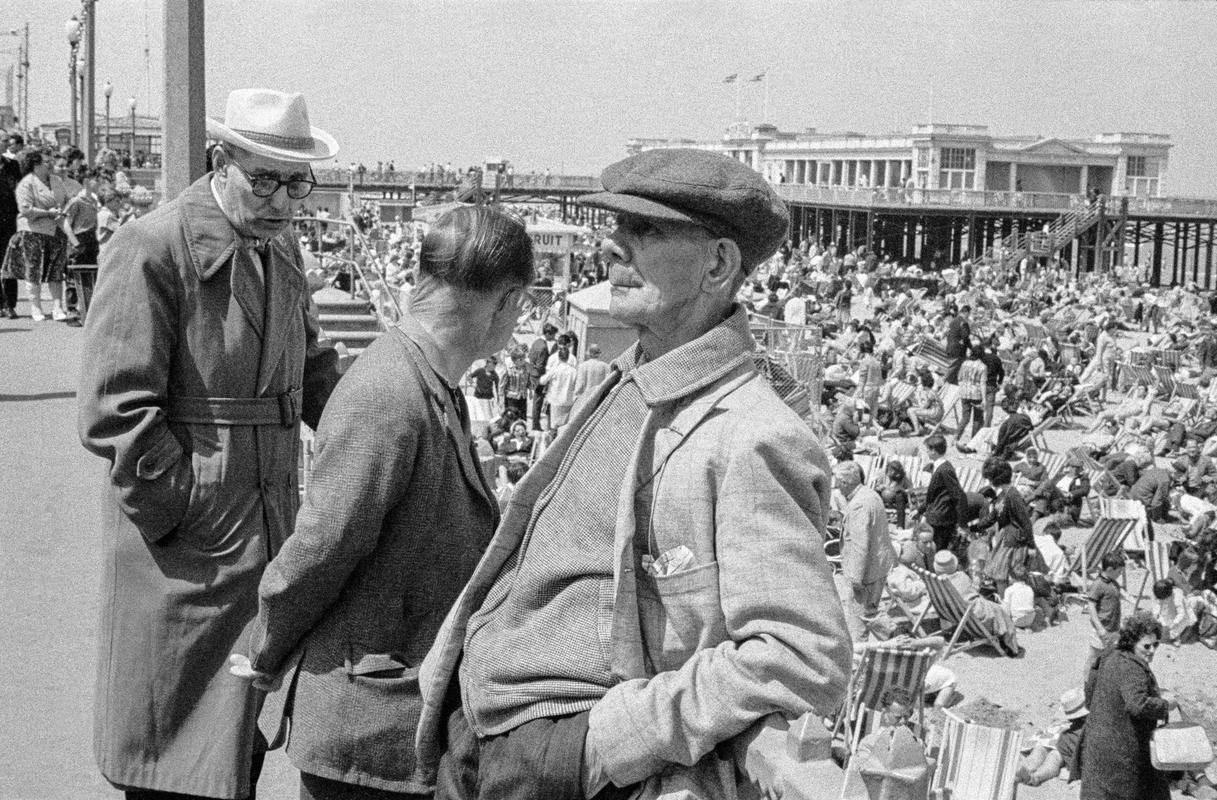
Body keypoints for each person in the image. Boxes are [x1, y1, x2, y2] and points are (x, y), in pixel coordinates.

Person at [416, 148, 850, 800]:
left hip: (555, 749)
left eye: (644, 231)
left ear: (719, 263)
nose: (612, 246)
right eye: (616, 226)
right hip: (481, 720)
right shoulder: (627, 379)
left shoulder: (751, 435)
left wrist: (610, 740)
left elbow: (802, 655)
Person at [77, 89, 343, 800]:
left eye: (296, 182)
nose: (284, 200)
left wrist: (380, 422)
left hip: (263, 537)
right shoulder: (150, 247)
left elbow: (312, 369)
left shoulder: (278, 246)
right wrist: (183, 507)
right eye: (265, 179)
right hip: (185, 555)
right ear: (219, 162)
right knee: (170, 754)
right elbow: (114, 411)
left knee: (240, 748)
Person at [228, 206, 534, 799]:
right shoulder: (391, 394)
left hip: (387, 719)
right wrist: (266, 648)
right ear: (506, 302)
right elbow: (322, 546)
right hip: (364, 727)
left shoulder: (425, 382)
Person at [1077, 613, 1176, 800]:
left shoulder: (1109, 655)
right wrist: (1165, 705)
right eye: (1146, 646)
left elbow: (1089, 692)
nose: (1152, 650)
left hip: (1097, 745)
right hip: (1121, 754)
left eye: (1156, 645)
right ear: (1132, 642)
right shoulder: (1132, 668)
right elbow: (1137, 705)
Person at [1, 147, 69, 321]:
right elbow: (25, 209)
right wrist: (48, 213)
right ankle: (36, 307)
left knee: (56, 271)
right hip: (33, 232)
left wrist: (64, 210)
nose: (51, 164)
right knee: (34, 271)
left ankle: (57, 307)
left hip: (56, 231)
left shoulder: (56, 181)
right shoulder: (27, 183)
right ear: (36, 164)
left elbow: (66, 200)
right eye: (47, 162)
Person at [834, 460, 897, 642]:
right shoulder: (870, 494)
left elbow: (860, 545)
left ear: (845, 483)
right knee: (870, 612)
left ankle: (859, 660)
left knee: (858, 622)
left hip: (867, 572)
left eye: (838, 483)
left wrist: (856, 578)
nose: (837, 487)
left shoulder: (859, 505)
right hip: (878, 566)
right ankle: (897, 639)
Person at [978, 457, 1037, 595]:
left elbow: (1025, 522)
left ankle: (1006, 604)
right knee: (1002, 574)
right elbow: (993, 516)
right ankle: (1006, 601)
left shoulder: (1013, 495)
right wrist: (976, 527)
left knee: (1002, 574)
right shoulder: (1005, 494)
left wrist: (1031, 545)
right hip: (1007, 537)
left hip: (1015, 540)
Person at [1017, 688, 1088, 786]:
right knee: (1053, 757)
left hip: (1064, 739)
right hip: (1069, 739)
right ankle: (1037, 777)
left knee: (1044, 750)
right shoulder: (1097, 724)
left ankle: (1025, 768)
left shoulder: (1068, 737)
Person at [1085, 551, 1126, 678]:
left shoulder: (1113, 582)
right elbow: (1091, 607)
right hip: (1101, 628)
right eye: (1119, 572)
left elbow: (1118, 594)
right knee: (1094, 656)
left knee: (1110, 656)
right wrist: (1100, 628)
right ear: (1109, 569)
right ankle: (1087, 682)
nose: (1120, 574)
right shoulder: (1098, 584)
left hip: (1113, 626)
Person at [922, 434, 965, 552]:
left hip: (942, 519)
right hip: (937, 516)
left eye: (928, 449)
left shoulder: (945, 470)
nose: (926, 452)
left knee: (939, 550)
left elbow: (958, 495)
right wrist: (920, 509)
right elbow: (934, 495)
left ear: (934, 451)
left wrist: (961, 522)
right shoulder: (939, 467)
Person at [0, 132, 22, 318]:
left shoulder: (12, 166)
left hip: (9, 220)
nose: (7, 144)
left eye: (8, 141)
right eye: (4, 141)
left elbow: (19, 190)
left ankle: (9, 304)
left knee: (9, 263)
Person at [539, 342, 578, 431]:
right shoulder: (574, 371)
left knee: (553, 426)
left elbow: (542, 381)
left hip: (554, 401)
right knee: (564, 427)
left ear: (559, 357)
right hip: (568, 401)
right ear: (568, 357)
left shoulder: (555, 369)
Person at [955, 342, 987, 447]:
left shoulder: (965, 363)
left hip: (964, 392)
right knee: (977, 418)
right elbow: (982, 383)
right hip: (976, 394)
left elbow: (959, 377)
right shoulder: (983, 367)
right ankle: (973, 441)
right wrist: (984, 399)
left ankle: (956, 437)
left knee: (965, 417)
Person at [528, 322, 557, 430]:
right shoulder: (544, 347)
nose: (554, 338)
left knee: (536, 400)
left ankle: (535, 424)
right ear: (548, 334)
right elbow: (541, 366)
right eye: (553, 335)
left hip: (533, 374)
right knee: (538, 401)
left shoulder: (536, 342)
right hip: (538, 377)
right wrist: (545, 378)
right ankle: (536, 425)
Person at [467, 355, 499, 423]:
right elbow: (469, 377)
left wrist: (497, 398)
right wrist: (473, 384)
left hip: (488, 398)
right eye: (492, 365)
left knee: (488, 416)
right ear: (487, 364)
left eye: (494, 365)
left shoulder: (494, 375)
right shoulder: (480, 371)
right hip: (478, 396)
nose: (493, 367)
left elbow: (497, 387)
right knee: (478, 414)